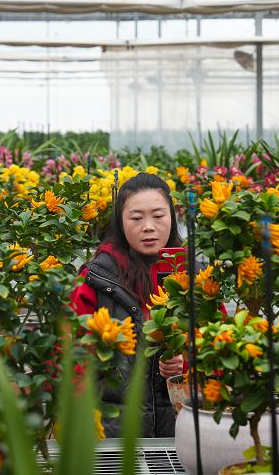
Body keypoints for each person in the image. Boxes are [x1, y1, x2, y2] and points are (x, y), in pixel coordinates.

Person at [70, 173, 184, 438]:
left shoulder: (193, 275)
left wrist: (186, 364)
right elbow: (72, 355)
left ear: (172, 218)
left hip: (183, 429)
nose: (148, 226)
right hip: (113, 432)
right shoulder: (96, 278)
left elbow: (220, 347)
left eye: (158, 216)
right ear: (121, 223)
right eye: (136, 218)